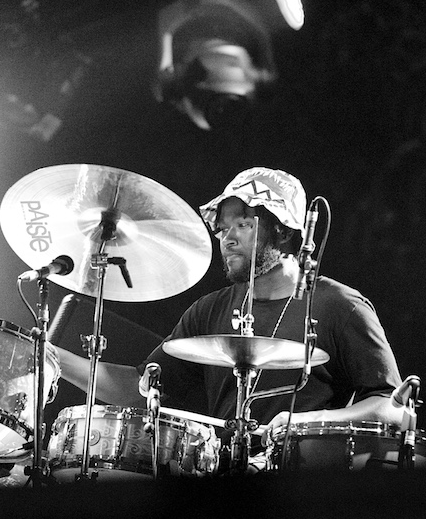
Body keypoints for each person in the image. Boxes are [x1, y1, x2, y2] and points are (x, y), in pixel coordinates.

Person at [137, 167, 406, 464]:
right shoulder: (208, 309)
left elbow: (392, 406)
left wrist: (304, 422)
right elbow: (140, 389)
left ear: (284, 230)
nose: (228, 239)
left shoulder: (340, 306)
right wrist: (75, 358)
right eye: (222, 228)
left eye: (242, 224)